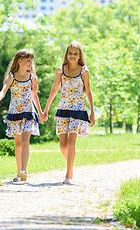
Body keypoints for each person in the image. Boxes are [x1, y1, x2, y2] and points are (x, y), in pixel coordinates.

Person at [44, 41, 95, 185]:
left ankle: (68, 175)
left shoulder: (84, 71)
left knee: (71, 143)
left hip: (78, 110)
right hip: (63, 109)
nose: (72, 56)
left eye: (75, 53)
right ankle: (71, 167)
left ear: (80, 56)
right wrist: (46, 107)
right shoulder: (60, 69)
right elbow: (55, 89)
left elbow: (88, 91)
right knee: (62, 146)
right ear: (66, 54)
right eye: (70, 53)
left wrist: (92, 113)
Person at [0, 49, 45, 182]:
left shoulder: (32, 78)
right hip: (15, 113)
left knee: (25, 141)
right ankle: (19, 173)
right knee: (18, 144)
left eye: (31, 61)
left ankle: (24, 170)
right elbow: (4, 90)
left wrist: (40, 112)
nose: (30, 63)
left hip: (28, 112)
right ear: (20, 61)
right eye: (28, 60)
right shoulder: (11, 76)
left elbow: (34, 96)